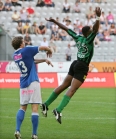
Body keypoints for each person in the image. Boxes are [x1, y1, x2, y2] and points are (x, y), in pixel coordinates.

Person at [40, 7, 101, 124]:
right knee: (72, 89)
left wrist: (54, 21)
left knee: (63, 85)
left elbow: (66, 29)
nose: (94, 31)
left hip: (75, 63)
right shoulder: (89, 39)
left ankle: (46, 104)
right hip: (82, 66)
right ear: (89, 33)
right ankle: (58, 110)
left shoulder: (78, 38)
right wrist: (98, 17)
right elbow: (96, 29)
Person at [11, 36, 53, 139]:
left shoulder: (15, 55)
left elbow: (31, 61)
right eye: (23, 42)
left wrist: (44, 60)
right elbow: (42, 48)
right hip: (33, 82)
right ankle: (34, 134)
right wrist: (49, 49)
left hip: (23, 84)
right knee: (34, 108)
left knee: (22, 107)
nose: (24, 43)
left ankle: (17, 130)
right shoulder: (27, 49)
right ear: (21, 44)